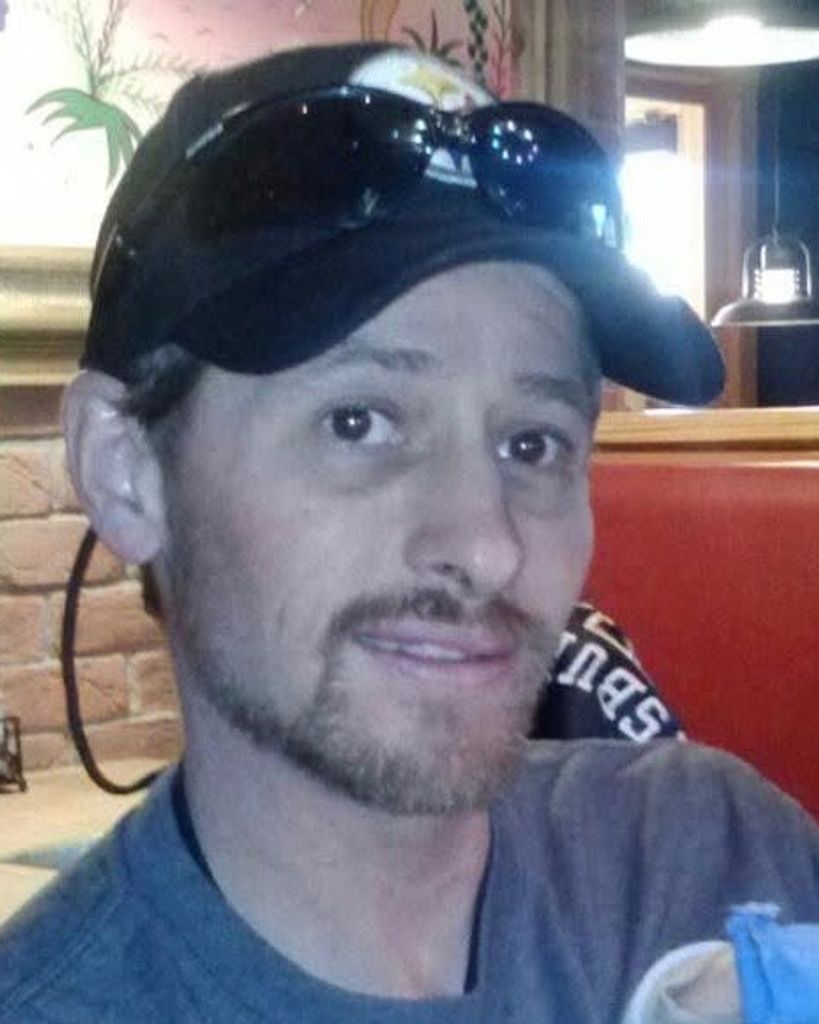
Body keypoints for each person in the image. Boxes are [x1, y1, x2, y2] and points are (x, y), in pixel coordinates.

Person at [1, 43, 817, 1024]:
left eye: (532, 441)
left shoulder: (715, 856)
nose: (487, 546)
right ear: (125, 470)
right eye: (359, 422)